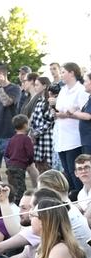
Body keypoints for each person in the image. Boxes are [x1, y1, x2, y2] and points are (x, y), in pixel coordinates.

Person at [53, 62, 87, 190]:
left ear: (72, 73)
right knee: (67, 171)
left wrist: (66, 115)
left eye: (63, 72)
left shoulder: (80, 90)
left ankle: (79, 196)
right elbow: (59, 108)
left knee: (75, 171)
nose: (61, 75)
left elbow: (85, 113)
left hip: (74, 138)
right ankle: (73, 196)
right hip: (61, 137)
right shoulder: (63, 90)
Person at [0, 63, 20, 184]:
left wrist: (0, 87)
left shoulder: (14, 88)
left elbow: (6, 102)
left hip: (9, 135)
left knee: (11, 169)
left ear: (1, 74)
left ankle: (12, 195)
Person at [3, 114, 34, 203]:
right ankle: (20, 204)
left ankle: (12, 202)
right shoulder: (26, 139)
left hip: (10, 166)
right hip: (20, 167)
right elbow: (30, 153)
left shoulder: (12, 139)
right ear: (25, 125)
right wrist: (29, 162)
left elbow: (6, 153)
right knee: (21, 188)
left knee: (12, 187)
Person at [29, 76, 55, 173]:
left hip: (47, 138)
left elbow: (49, 120)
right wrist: (31, 132)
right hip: (38, 140)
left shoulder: (50, 101)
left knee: (48, 167)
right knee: (39, 165)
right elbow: (34, 119)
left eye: (37, 85)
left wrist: (35, 133)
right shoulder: (39, 101)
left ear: (44, 86)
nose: (35, 87)